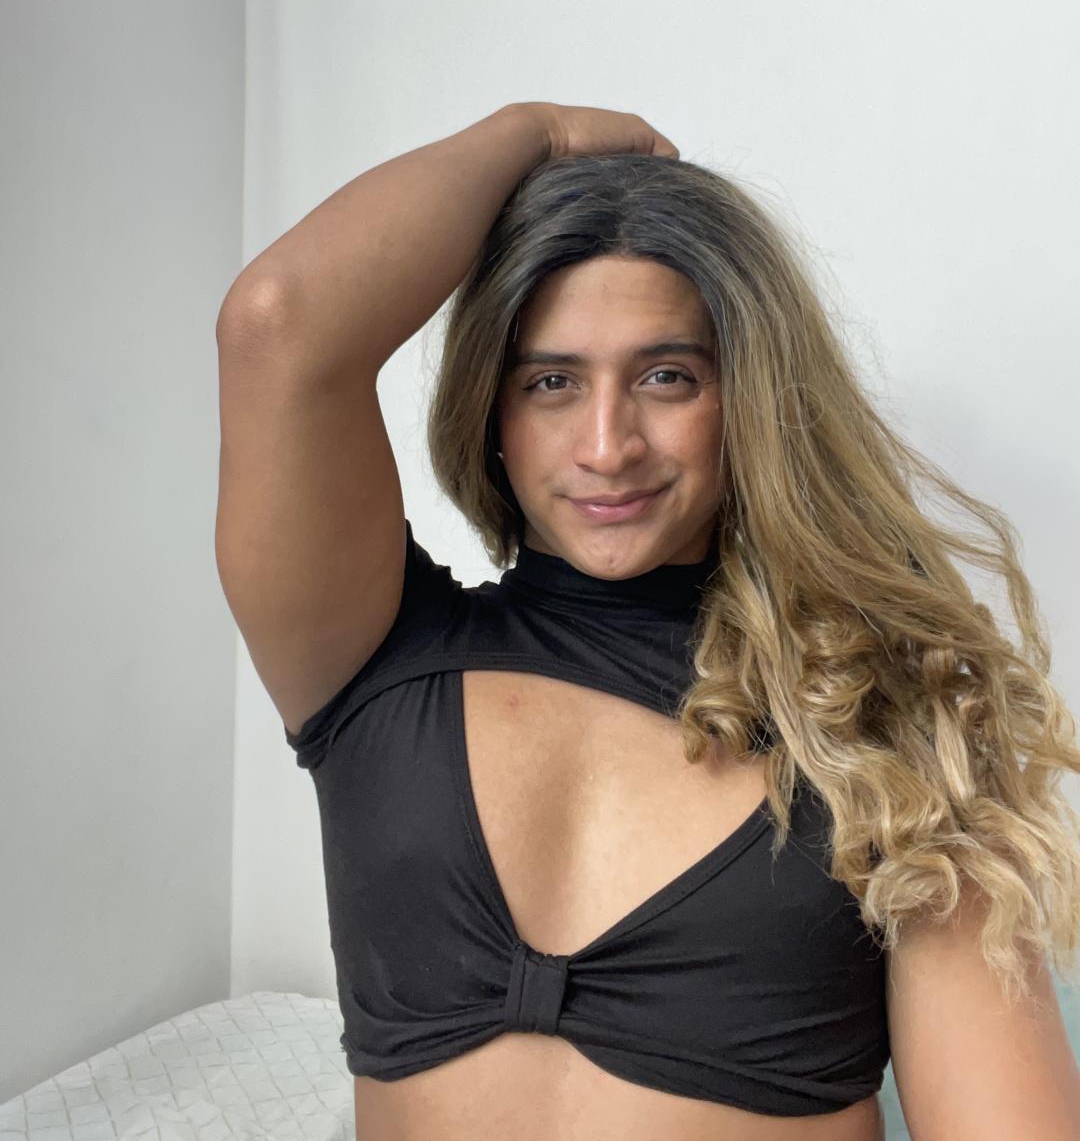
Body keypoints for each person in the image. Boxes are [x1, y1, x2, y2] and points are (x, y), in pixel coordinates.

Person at [215, 103, 1080, 1141]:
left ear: (748, 398)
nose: (607, 444)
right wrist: (537, 134)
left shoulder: (885, 724)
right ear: (493, 413)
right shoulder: (374, 656)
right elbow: (277, 322)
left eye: (667, 377)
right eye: (551, 382)